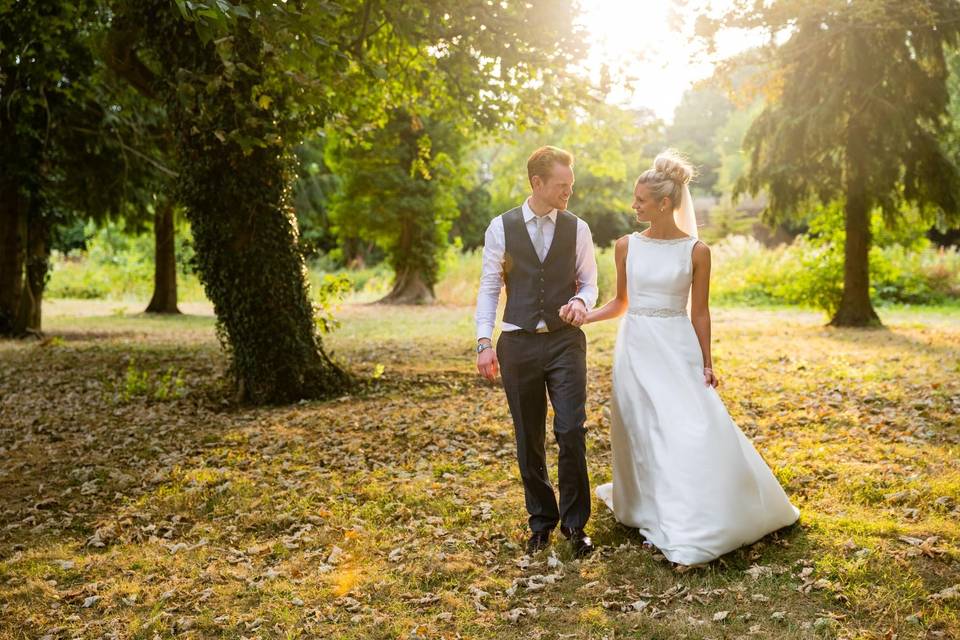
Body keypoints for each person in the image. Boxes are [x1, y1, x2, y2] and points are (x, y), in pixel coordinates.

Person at [584, 149, 800, 565]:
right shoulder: (626, 246)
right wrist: (585, 318)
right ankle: (646, 505)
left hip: (676, 345)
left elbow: (699, 311)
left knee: (691, 423)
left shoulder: (697, 251)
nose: (634, 206)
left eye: (641, 200)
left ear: (664, 204)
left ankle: (705, 509)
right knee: (641, 426)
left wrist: (707, 360)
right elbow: (620, 302)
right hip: (635, 347)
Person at [474, 146, 599, 557]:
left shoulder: (577, 228)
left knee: (570, 430)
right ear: (538, 183)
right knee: (528, 436)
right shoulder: (501, 227)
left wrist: (581, 303)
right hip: (518, 343)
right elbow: (490, 287)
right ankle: (541, 521)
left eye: (571, 184)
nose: (568, 192)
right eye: (562, 185)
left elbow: (588, 283)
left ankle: (575, 525)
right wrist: (483, 342)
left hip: (565, 342)